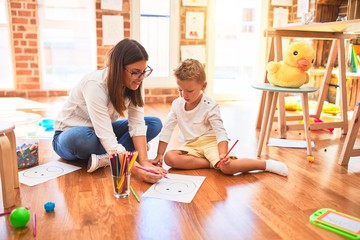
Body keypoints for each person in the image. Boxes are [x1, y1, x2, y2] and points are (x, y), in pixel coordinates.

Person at [52, 38, 166, 183]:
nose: (141, 78)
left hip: (101, 132)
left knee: (154, 123)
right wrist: (135, 169)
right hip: (70, 135)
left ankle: (107, 158)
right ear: (118, 67)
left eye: (144, 71)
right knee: (83, 139)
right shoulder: (95, 84)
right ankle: (114, 155)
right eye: (136, 72)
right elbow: (105, 135)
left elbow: (137, 124)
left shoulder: (134, 84)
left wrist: (144, 162)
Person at [151, 59, 288, 177]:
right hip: (191, 145)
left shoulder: (210, 105)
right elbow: (167, 129)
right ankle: (211, 163)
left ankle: (265, 164)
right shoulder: (177, 104)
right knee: (170, 158)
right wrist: (159, 154)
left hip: (211, 142)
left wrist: (223, 154)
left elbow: (220, 132)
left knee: (228, 168)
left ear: (203, 86)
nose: (184, 95)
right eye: (180, 90)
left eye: (189, 91)